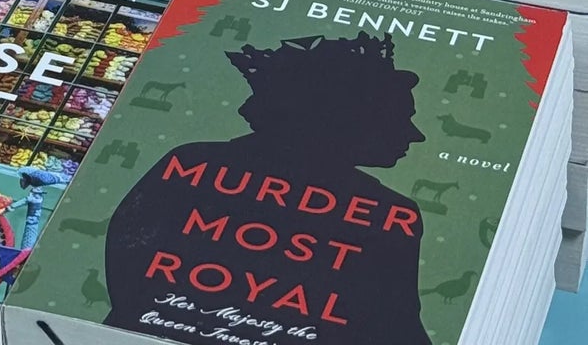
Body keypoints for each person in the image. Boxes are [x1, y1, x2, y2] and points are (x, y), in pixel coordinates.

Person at [102, 33, 430, 343]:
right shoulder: (388, 211)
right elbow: (394, 327)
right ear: (343, 118)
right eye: (399, 118)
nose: (415, 135)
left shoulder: (193, 160)